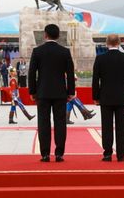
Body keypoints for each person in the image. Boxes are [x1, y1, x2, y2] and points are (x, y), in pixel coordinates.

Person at [29, 24, 75, 163]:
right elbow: (70, 74)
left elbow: (32, 73)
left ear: (45, 35)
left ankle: (45, 154)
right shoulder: (64, 52)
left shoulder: (37, 51)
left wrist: (32, 91)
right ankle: (59, 154)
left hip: (42, 92)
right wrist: (71, 91)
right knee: (60, 123)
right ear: (58, 35)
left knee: (43, 123)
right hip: (60, 93)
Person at [92, 34, 124, 162]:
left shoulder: (100, 59)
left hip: (105, 97)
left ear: (107, 43)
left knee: (106, 126)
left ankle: (107, 153)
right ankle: (121, 155)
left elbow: (95, 80)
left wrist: (96, 96)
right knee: (122, 127)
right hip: (122, 97)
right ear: (119, 43)